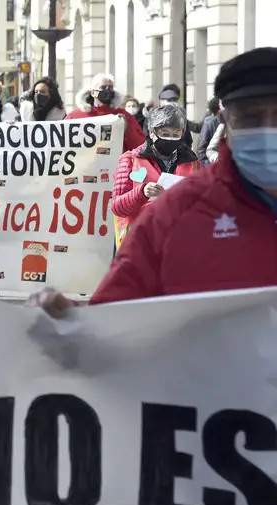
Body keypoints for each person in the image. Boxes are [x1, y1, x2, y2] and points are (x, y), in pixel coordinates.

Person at [29, 47, 277, 315]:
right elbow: (113, 318)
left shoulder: (188, 166)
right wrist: (66, 320)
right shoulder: (176, 213)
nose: (267, 131)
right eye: (250, 118)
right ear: (225, 122)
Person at [110, 104, 199, 248]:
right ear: (152, 132)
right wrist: (141, 193)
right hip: (141, 244)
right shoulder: (131, 160)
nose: (170, 139)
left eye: (176, 135)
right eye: (164, 133)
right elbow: (117, 207)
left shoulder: (193, 163)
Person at [67, 73, 145, 152]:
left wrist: (127, 129)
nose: (108, 91)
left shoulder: (124, 117)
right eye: (103, 87)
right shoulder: (75, 117)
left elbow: (140, 146)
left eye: (110, 87)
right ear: (93, 92)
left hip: (117, 163)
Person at [157, 84, 195, 148]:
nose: (172, 102)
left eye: (174, 99)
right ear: (162, 100)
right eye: (169, 100)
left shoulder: (182, 117)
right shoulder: (154, 117)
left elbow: (188, 139)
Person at [197, 97, 223, 167]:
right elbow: (201, 149)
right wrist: (208, 167)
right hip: (213, 166)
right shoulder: (210, 123)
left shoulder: (230, 122)